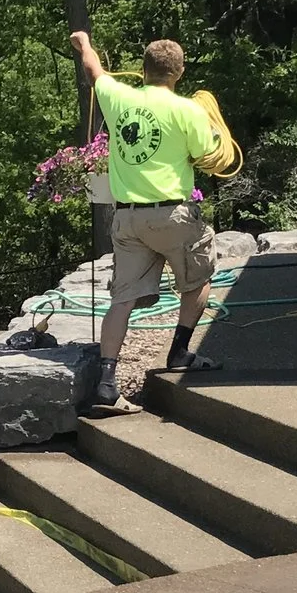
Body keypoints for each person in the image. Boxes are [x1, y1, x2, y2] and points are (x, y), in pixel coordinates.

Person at [72, 30, 224, 410]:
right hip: (173, 215)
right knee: (200, 277)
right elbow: (207, 155)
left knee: (121, 301)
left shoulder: (118, 97)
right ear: (180, 72)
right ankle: (180, 352)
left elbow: (94, 72)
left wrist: (85, 44)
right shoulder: (189, 110)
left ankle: (107, 384)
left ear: (142, 70)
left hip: (128, 220)